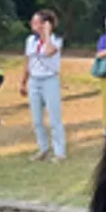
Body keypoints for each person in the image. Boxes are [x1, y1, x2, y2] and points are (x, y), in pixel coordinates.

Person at [20, 9, 66, 162]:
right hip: (34, 80)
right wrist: (23, 82)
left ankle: (59, 152)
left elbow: (49, 51)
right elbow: (28, 62)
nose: (33, 24)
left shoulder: (56, 40)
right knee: (37, 120)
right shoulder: (30, 41)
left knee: (54, 118)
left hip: (50, 80)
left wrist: (46, 34)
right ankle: (43, 148)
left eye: (37, 22)